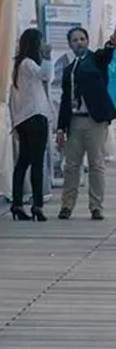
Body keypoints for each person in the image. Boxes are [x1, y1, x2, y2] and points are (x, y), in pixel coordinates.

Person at [56, 26, 116, 220]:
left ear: (87, 41)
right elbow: (66, 99)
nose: (79, 42)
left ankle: (96, 206)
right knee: (71, 165)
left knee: (96, 164)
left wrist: (111, 43)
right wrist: (60, 127)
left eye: (82, 38)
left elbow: (105, 54)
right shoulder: (68, 69)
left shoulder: (96, 60)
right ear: (70, 44)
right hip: (75, 121)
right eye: (75, 40)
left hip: (95, 120)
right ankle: (67, 205)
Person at [9, 28, 52, 221]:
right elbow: (46, 75)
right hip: (36, 116)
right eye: (41, 42)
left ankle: (17, 204)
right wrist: (48, 56)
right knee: (36, 163)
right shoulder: (29, 64)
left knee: (23, 163)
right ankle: (37, 205)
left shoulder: (19, 65)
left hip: (24, 119)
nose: (43, 45)